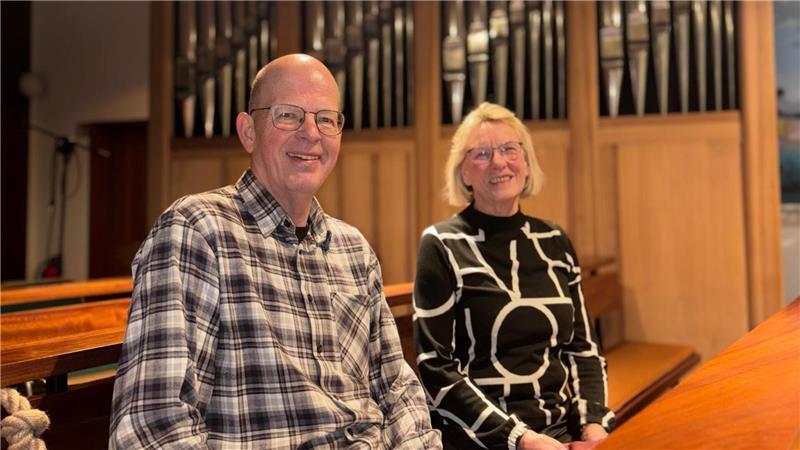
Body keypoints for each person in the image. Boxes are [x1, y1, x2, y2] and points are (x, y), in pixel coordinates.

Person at [110, 54, 441, 450]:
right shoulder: (197, 230)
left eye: (326, 119)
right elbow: (154, 425)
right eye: (288, 115)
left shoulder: (354, 249)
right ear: (248, 131)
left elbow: (397, 389)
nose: (311, 133)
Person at [413, 102, 614, 450]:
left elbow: (583, 350)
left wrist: (593, 425)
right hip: (481, 437)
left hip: (558, 430)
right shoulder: (442, 243)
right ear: (463, 173)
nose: (499, 162)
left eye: (509, 149)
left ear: (525, 161)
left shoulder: (553, 240)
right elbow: (436, 369)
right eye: (482, 153)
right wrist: (520, 439)